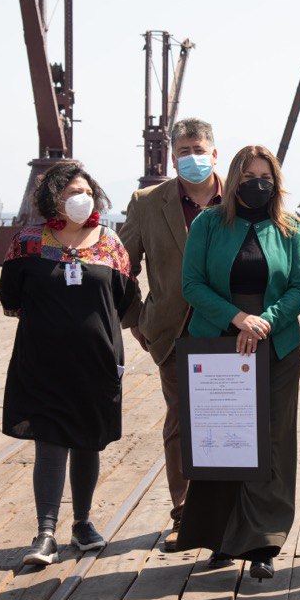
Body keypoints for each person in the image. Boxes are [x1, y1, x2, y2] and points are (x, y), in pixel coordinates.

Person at [176, 145, 300, 580]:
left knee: (271, 441)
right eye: (250, 175)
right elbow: (191, 284)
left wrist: (264, 322)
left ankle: (263, 542)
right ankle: (219, 537)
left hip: (275, 345)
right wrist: (237, 319)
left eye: (266, 176)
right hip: (219, 343)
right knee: (222, 439)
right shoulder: (208, 223)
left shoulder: (291, 229)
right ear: (234, 179)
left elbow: (299, 287)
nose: (259, 183)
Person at [0, 161, 137, 566]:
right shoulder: (27, 242)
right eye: (71, 192)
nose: (82, 199)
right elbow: (11, 298)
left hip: (97, 360)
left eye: (88, 192)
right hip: (42, 359)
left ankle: (82, 522)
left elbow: (124, 298)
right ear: (52, 198)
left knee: (88, 442)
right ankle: (45, 533)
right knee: (50, 441)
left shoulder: (111, 243)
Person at [119, 118, 223, 550]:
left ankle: (224, 511)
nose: (191, 158)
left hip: (228, 329)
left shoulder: (236, 198)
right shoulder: (147, 202)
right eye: (183, 151)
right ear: (171, 156)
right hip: (172, 331)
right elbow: (122, 266)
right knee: (181, 421)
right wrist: (137, 321)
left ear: (214, 152)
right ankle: (185, 513)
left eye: (198, 149)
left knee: (226, 421)